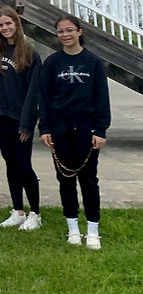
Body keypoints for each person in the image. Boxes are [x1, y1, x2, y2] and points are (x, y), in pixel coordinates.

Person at [39, 15, 110, 250]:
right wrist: (45, 128)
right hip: (60, 129)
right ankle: (73, 228)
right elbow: (44, 98)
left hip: (87, 130)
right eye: (60, 31)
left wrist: (101, 129)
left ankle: (92, 230)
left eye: (70, 30)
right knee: (65, 179)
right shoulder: (52, 63)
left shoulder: (94, 62)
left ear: (79, 32)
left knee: (89, 180)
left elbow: (102, 98)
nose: (65, 35)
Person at [0, 7, 43, 230]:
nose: (5, 28)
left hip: (20, 119)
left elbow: (34, 93)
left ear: (17, 24)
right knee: (10, 163)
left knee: (24, 165)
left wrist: (27, 124)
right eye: (1, 25)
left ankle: (35, 213)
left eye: (9, 23)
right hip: (0, 116)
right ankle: (18, 210)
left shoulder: (30, 54)